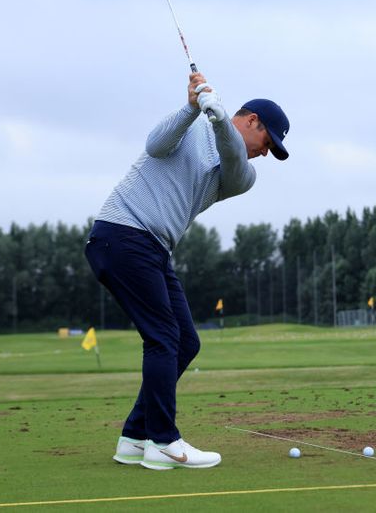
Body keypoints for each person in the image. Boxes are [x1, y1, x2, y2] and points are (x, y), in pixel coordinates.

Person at [84, 72, 290, 470]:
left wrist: (217, 117)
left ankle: (134, 436)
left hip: (152, 248)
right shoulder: (191, 127)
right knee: (163, 338)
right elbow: (154, 145)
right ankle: (163, 441)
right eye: (268, 143)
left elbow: (231, 154)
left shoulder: (242, 175)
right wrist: (192, 108)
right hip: (123, 233)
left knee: (185, 342)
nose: (266, 153)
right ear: (251, 122)